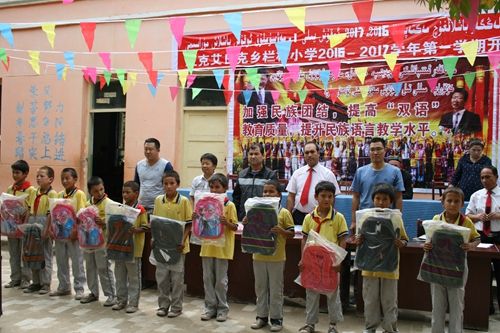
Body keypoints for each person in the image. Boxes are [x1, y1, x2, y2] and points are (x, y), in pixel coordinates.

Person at [347, 137, 404, 310]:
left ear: (385, 150)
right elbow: (356, 196)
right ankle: (361, 303)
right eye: (372, 149)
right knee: (364, 262)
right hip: (366, 223)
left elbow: (399, 197)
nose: (375, 152)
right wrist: (354, 221)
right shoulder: (361, 171)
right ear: (368, 151)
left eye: (379, 149)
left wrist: (398, 220)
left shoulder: (394, 172)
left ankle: (387, 316)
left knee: (386, 263)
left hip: (387, 224)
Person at [425, 187, 480, 333]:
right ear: (443, 202)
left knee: (456, 305)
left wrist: (471, 245)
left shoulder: (466, 221)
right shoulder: (436, 219)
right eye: (449, 201)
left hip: (458, 268)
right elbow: (429, 241)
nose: (453, 204)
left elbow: (477, 238)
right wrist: (427, 245)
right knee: (437, 306)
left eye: (457, 201)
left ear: (462, 204)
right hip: (437, 266)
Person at [355, 183, 408, 333]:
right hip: (369, 266)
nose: (381, 202)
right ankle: (370, 327)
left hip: (389, 267)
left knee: (389, 301)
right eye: (377, 198)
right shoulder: (365, 216)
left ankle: (390, 328)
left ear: (390, 201)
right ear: (373, 200)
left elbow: (404, 239)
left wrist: (401, 242)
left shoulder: (396, 218)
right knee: (370, 300)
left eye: (385, 199)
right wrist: (358, 240)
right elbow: (360, 238)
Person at [298, 181, 348, 333]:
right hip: (312, 261)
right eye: (323, 196)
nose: (326, 199)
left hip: (331, 263)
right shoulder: (308, 218)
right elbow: (304, 239)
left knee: (332, 293)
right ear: (316, 197)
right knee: (311, 292)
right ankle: (310, 324)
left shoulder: (338, 218)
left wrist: (339, 260)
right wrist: (303, 259)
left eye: (330, 196)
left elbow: (343, 239)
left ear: (334, 198)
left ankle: (333, 325)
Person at [247, 180, 294, 332]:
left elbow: (292, 233)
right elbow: (250, 230)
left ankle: (276, 318)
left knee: (275, 289)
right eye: (265, 191)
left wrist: (282, 231)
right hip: (258, 256)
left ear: (279, 195)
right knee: (260, 288)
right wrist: (247, 222)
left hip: (277, 257)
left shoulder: (284, 212)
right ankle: (261, 317)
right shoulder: (256, 209)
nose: (267, 194)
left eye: (271, 191)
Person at [198, 173, 238, 322]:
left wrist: (226, 223)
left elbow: (235, 227)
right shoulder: (204, 204)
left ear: (225, 188)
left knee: (221, 281)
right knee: (207, 278)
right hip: (207, 247)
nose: (214, 190)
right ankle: (209, 308)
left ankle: (222, 309)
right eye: (212, 187)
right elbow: (200, 225)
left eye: (218, 187)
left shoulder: (229, 205)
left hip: (222, 248)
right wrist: (197, 218)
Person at [153, 170, 192, 318]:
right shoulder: (158, 200)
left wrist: (182, 241)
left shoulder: (183, 201)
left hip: (178, 247)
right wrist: (154, 239)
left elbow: (189, 224)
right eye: (166, 183)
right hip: (162, 246)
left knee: (177, 279)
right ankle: (163, 305)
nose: (168, 186)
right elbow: (155, 222)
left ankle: (176, 307)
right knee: (162, 277)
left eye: (172, 183)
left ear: (178, 184)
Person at [466, 166, 500, 314]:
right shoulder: (476, 195)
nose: (485, 180)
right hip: (481, 236)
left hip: (498, 236)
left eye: (488, 177)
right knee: (481, 272)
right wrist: (477, 217)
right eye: (482, 177)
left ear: (496, 177)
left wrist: (498, 215)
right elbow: (467, 216)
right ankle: (485, 307)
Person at [111, 181, 148, 313]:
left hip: (134, 250)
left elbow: (146, 226)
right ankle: (121, 300)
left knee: (133, 277)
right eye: (123, 192)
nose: (125, 195)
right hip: (120, 248)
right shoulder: (120, 208)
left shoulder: (141, 210)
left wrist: (135, 230)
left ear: (136, 193)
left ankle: (133, 303)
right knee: (119, 275)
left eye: (128, 192)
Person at [50, 168, 86, 300]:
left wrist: (76, 230)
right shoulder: (59, 195)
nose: (64, 181)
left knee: (77, 261)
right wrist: (52, 228)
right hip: (60, 232)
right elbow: (54, 213)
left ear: (75, 179)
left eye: (67, 178)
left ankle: (79, 288)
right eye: (62, 178)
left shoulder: (79, 194)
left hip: (73, 233)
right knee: (61, 260)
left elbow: (81, 214)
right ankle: (63, 286)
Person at [80, 176, 116, 306]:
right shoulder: (88, 205)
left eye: (101, 189)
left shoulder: (109, 203)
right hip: (89, 241)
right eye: (96, 191)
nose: (100, 193)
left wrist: (104, 222)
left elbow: (116, 222)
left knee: (104, 268)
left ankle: (112, 294)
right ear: (90, 192)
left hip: (104, 242)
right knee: (90, 267)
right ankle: (93, 293)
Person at [286, 142, 340, 225]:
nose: (309, 155)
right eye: (306, 153)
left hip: (319, 217)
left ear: (318, 153)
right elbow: (291, 197)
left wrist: (328, 218)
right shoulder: (297, 173)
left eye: (312, 152)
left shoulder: (328, 174)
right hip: (298, 216)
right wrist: (288, 217)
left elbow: (332, 199)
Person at [24, 166, 57, 294]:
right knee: (33, 254)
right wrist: (26, 226)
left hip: (44, 223)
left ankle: (45, 283)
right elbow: (29, 209)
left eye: (42, 176)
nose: (38, 178)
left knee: (45, 254)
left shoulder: (52, 194)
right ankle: (36, 282)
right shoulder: (34, 192)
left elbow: (51, 213)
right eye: (37, 176)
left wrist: (47, 229)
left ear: (50, 179)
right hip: (33, 222)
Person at [4, 160, 34, 289]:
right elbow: (6, 205)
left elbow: (31, 208)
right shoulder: (10, 189)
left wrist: (24, 214)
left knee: (25, 253)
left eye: (17, 172)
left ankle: (26, 280)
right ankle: (15, 278)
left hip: (24, 225)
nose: (15, 175)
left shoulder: (31, 190)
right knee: (13, 253)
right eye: (13, 172)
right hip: (11, 225)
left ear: (25, 173)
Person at [233, 143, 277, 221]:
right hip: (243, 218)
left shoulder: (270, 175)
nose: (253, 156)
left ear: (262, 156)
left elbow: (274, 199)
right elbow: (236, 198)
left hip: (264, 218)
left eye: (256, 154)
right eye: (251, 154)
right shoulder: (242, 174)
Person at [134, 138, 174, 212]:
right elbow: (136, 186)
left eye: (151, 149)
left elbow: (170, 187)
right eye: (146, 149)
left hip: (159, 206)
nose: (148, 152)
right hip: (141, 206)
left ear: (158, 150)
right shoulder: (139, 165)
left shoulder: (166, 165)